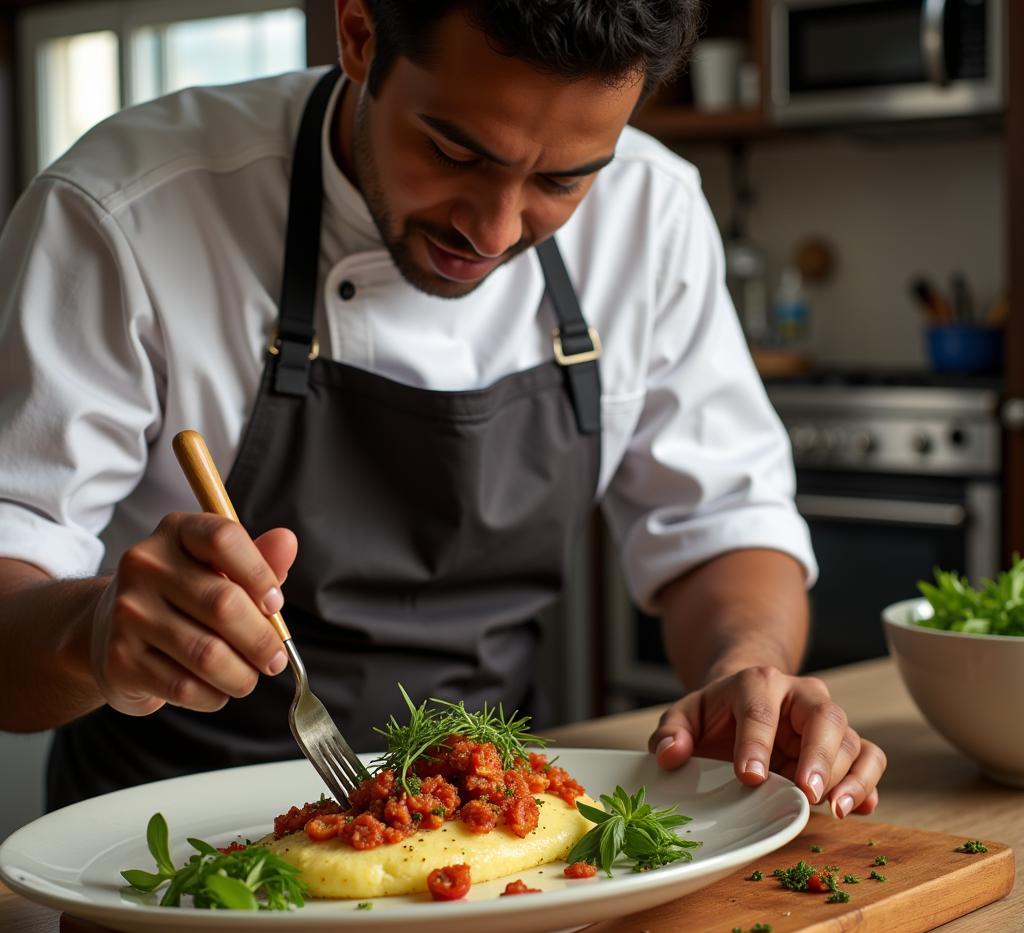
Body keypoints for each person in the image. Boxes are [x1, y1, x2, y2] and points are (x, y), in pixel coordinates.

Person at [0, 0, 885, 816]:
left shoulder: (654, 212)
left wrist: (746, 671)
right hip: (164, 848)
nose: (495, 233)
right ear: (358, 33)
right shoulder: (124, 214)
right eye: (458, 154)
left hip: (491, 830)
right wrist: (94, 630)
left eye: (564, 182)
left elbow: (725, 525)